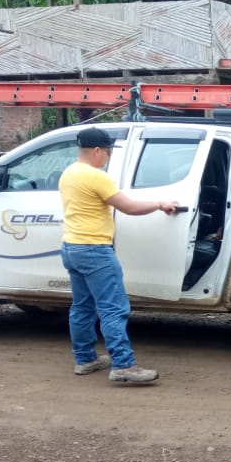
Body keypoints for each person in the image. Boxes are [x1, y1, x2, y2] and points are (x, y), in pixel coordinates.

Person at [59, 127, 179, 384]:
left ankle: (85, 359)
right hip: (94, 250)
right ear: (96, 150)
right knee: (113, 308)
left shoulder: (69, 173)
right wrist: (160, 204)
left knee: (82, 307)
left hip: (71, 247)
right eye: (108, 152)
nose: (109, 157)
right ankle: (123, 365)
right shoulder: (95, 176)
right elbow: (129, 207)